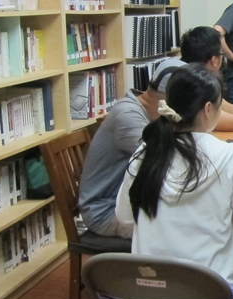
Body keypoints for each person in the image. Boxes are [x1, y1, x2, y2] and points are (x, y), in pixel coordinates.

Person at [115, 63, 233, 287]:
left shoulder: (145, 153)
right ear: (208, 109)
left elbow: (124, 217)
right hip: (212, 293)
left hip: (153, 293)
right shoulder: (228, 156)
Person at [78, 58, 185, 239]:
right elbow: (166, 162)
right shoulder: (128, 116)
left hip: (130, 202)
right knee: (186, 228)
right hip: (107, 212)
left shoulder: (148, 110)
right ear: (170, 100)